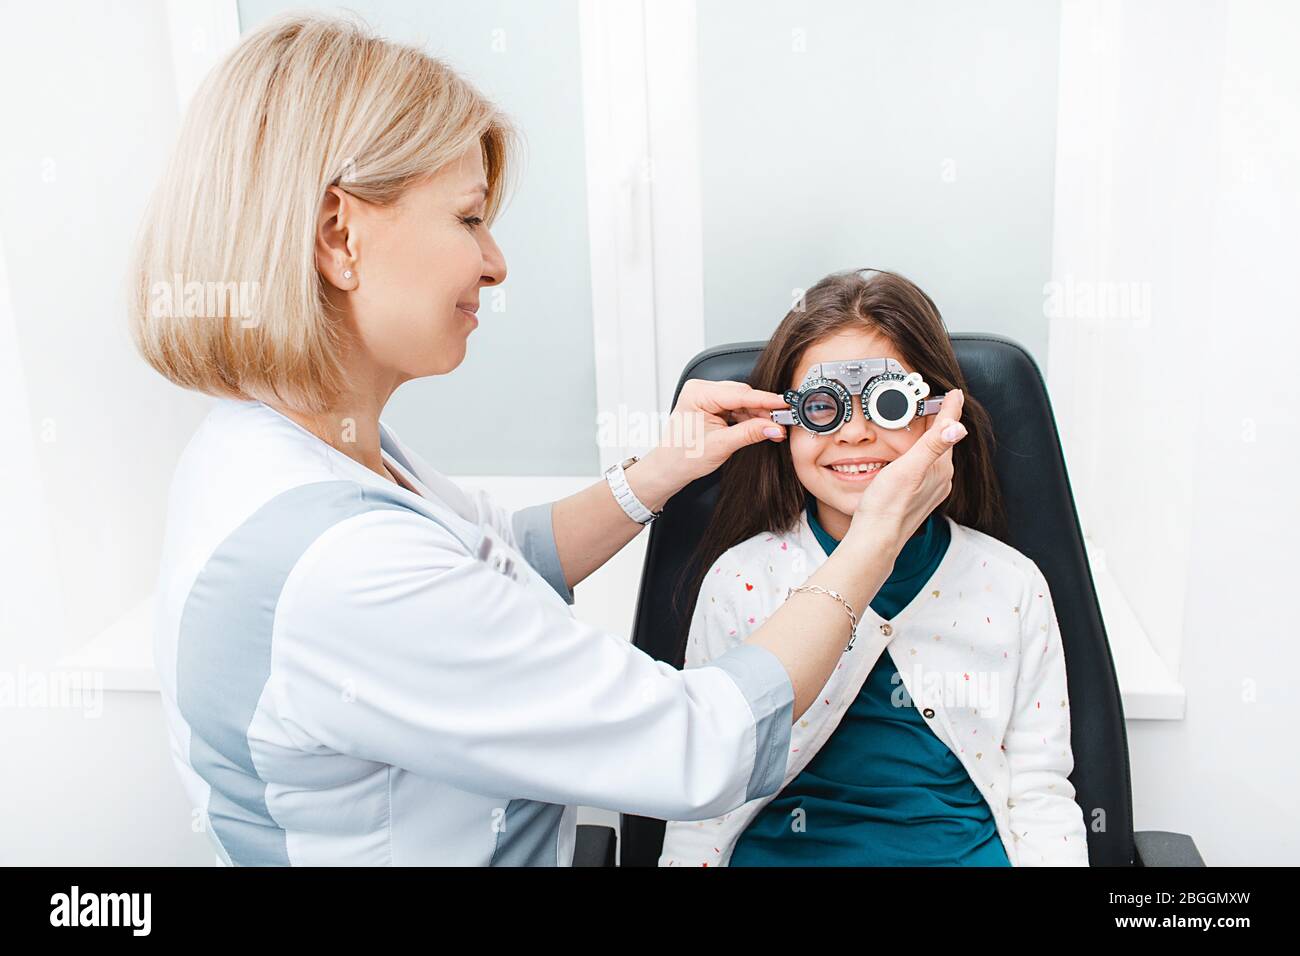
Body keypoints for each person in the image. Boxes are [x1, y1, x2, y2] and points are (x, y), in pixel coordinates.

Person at [128, 15, 968, 865]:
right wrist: (874, 543)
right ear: (338, 235)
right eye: (468, 219)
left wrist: (658, 474)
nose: (494, 264)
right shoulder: (341, 568)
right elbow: (703, 746)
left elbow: (497, 560)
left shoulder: (282, 448)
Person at [658, 270, 1088, 866]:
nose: (856, 433)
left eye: (888, 404)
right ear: (785, 424)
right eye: (823, 408)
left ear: (940, 414)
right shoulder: (742, 581)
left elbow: (1040, 794)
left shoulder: (1010, 586)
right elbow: (701, 788)